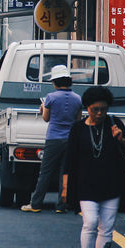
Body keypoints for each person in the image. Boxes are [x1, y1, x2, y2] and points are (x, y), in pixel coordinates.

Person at [61, 86, 125, 248]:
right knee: (91, 222)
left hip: (112, 182)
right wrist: (66, 185)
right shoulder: (78, 128)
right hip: (85, 184)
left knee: (107, 227)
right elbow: (69, 158)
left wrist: (120, 138)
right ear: (87, 108)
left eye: (103, 109)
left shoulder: (114, 123)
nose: (100, 113)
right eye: (95, 109)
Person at [22, 64, 83, 213]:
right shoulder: (77, 98)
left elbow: (46, 119)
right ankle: (62, 205)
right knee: (65, 173)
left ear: (55, 82)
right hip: (70, 139)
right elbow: (78, 120)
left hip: (53, 138)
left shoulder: (50, 97)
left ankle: (36, 204)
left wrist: (43, 108)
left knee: (45, 173)